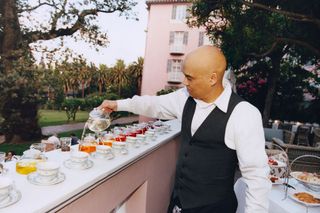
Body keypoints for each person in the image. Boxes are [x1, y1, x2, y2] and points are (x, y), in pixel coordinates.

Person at [99, 45, 270, 213]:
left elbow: (257, 177)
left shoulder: (244, 114)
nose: (184, 82)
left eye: (190, 77)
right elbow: (152, 104)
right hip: (179, 204)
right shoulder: (185, 98)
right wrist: (117, 104)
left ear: (212, 78)